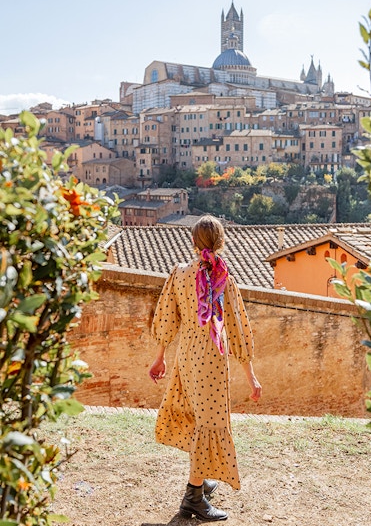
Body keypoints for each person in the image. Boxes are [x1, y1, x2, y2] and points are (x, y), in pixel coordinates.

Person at [149, 215, 262, 522]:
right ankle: (193, 498)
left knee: (197, 418)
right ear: (220, 242)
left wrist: (160, 357)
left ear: (193, 242)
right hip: (212, 360)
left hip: (187, 356)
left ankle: (202, 476)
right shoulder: (224, 277)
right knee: (209, 422)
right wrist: (251, 376)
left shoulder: (179, 273)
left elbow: (167, 317)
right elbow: (238, 328)